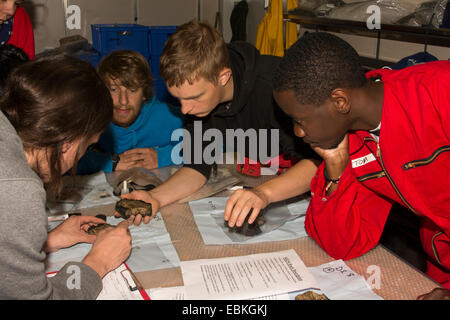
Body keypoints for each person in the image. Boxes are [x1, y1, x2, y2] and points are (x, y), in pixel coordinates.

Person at [272, 32, 450, 291]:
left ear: (340, 102)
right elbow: (342, 245)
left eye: (299, 120)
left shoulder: (439, 91)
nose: (297, 132)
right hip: (439, 267)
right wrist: (335, 171)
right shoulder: (352, 139)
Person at [119, 20, 319, 226]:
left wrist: (263, 193)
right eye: (179, 99)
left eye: (194, 97)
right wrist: (156, 197)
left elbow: (317, 162)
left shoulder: (276, 87)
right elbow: (197, 167)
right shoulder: (198, 103)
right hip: (267, 169)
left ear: (223, 77)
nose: (185, 109)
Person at [0, 55, 132, 299]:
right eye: (87, 146)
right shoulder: (18, 189)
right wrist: (98, 262)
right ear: (67, 143)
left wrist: (47, 241)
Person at [77, 50, 184, 175]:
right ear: (102, 92)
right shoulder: (93, 120)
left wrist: (163, 157)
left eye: (132, 90)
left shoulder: (169, 116)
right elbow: (63, 159)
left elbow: (206, 145)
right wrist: (109, 161)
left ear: (144, 94)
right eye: (114, 89)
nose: (123, 100)